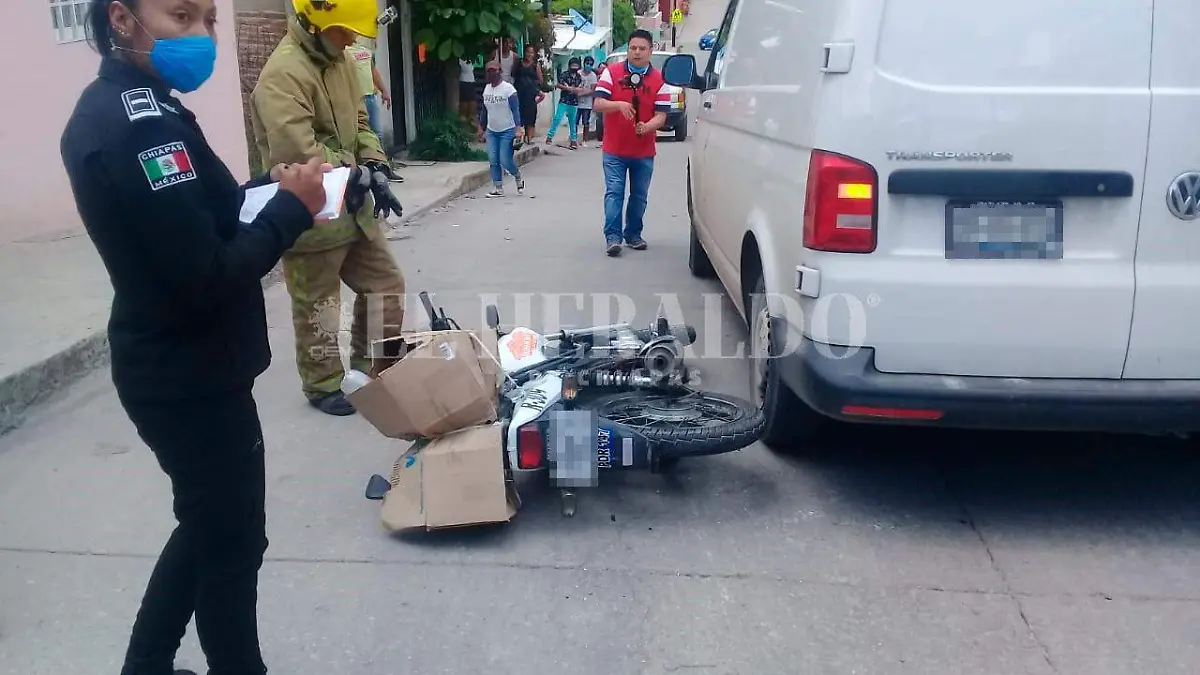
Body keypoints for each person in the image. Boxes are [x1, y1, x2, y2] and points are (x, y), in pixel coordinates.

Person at [60, 1, 333, 674]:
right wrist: (291, 215)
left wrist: (271, 191)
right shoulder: (141, 129)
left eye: (209, 18)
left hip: (181, 363)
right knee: (233, 542)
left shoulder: (138, 106)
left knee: (210, 526)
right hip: (191, 375)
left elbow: (202, 217)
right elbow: (207, 273)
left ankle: (146, 664)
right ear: (122, 19)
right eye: (181, 16)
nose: (202, 36)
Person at [251, 0, 408, 416]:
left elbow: (359, 121)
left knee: (386, 286)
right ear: (315, 22)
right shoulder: (282, 76)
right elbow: (296, 151)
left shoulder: (338, 60)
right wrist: (354, 170)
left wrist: (375, 162)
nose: (352, 38)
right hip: (310, 213)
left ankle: (367, 370)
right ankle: (323, 384)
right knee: (319, 304)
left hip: (353, 208)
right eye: (345, 30)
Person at [593, 30, 670, 256]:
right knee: (614, 192)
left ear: (650, 51)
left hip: (644, 152)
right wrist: (618, 105)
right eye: (633, 48)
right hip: (614, 150)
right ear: (627, 50)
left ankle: (634, 234)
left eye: (642, 48)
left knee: (639, 196)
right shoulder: (611, 73)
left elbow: (662, 115)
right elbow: (598, 103)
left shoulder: (659, 80)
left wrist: (647, 127)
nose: (636, 52)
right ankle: (613, 237)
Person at [480, 62, 525, 198]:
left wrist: (518, 128)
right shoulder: (487, 89)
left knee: (505, 160)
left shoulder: (508, 89)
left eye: (494, 70)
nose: (492, 73)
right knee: (493, 159)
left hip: (507, 129)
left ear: (500, 72)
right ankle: (498, 187)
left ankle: (517, 176)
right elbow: (484, 110)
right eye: (489, 71)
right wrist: (480, 127)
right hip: (492, 130)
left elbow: (515, 110)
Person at [346, 36, 391, 140]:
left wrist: (384, 91)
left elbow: (373, 70)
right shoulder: (344, 51)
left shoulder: (366, 49)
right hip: (354, 100)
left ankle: (379, 156)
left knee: (377, 134)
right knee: (358, 135)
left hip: (370, 98)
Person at [546, 56, 584, 149]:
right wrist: (567, 88)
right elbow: (559, 84)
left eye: (576, 65)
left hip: (574, 102)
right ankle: (549, 137)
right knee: (557, 118)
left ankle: (573, 140)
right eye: (573, 65)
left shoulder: (579, 77)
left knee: (572, 122)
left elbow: (580, 88)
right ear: (570, 66)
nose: (575, 67)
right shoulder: (564, 75)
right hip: (564, 100)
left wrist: (575, 89)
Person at [511, 43, 544, 142]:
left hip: (530, 94)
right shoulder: (518, 63)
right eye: (528, 52)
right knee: (518, 115)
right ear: (524, 53)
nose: (529, 54)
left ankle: (529, 139)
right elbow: (513, 75)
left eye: (532, 53)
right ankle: (519, 138)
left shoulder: (535, 65)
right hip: (519, 93)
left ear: (534, 54)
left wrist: (531, 85)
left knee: (530, 117)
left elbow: (540, 80)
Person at [576, 55, 598, 147]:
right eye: (587, 63)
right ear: (584, 63)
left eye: (590, 64)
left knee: (585, 122)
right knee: (574, 122)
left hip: (587, 104)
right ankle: (574, 139)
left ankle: (584, 140)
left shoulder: (593, 76)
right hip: (576, 103)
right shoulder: (578, 73)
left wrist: (582, 93)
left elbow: (593, 90)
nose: (588, 65)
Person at [459, 57, 481, 138]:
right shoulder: (459, 59)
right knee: (464, 112)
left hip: (471, 82)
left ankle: (473, 133)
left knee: (472, 113)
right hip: (464, 82)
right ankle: (463, 133)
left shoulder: (470, 57)